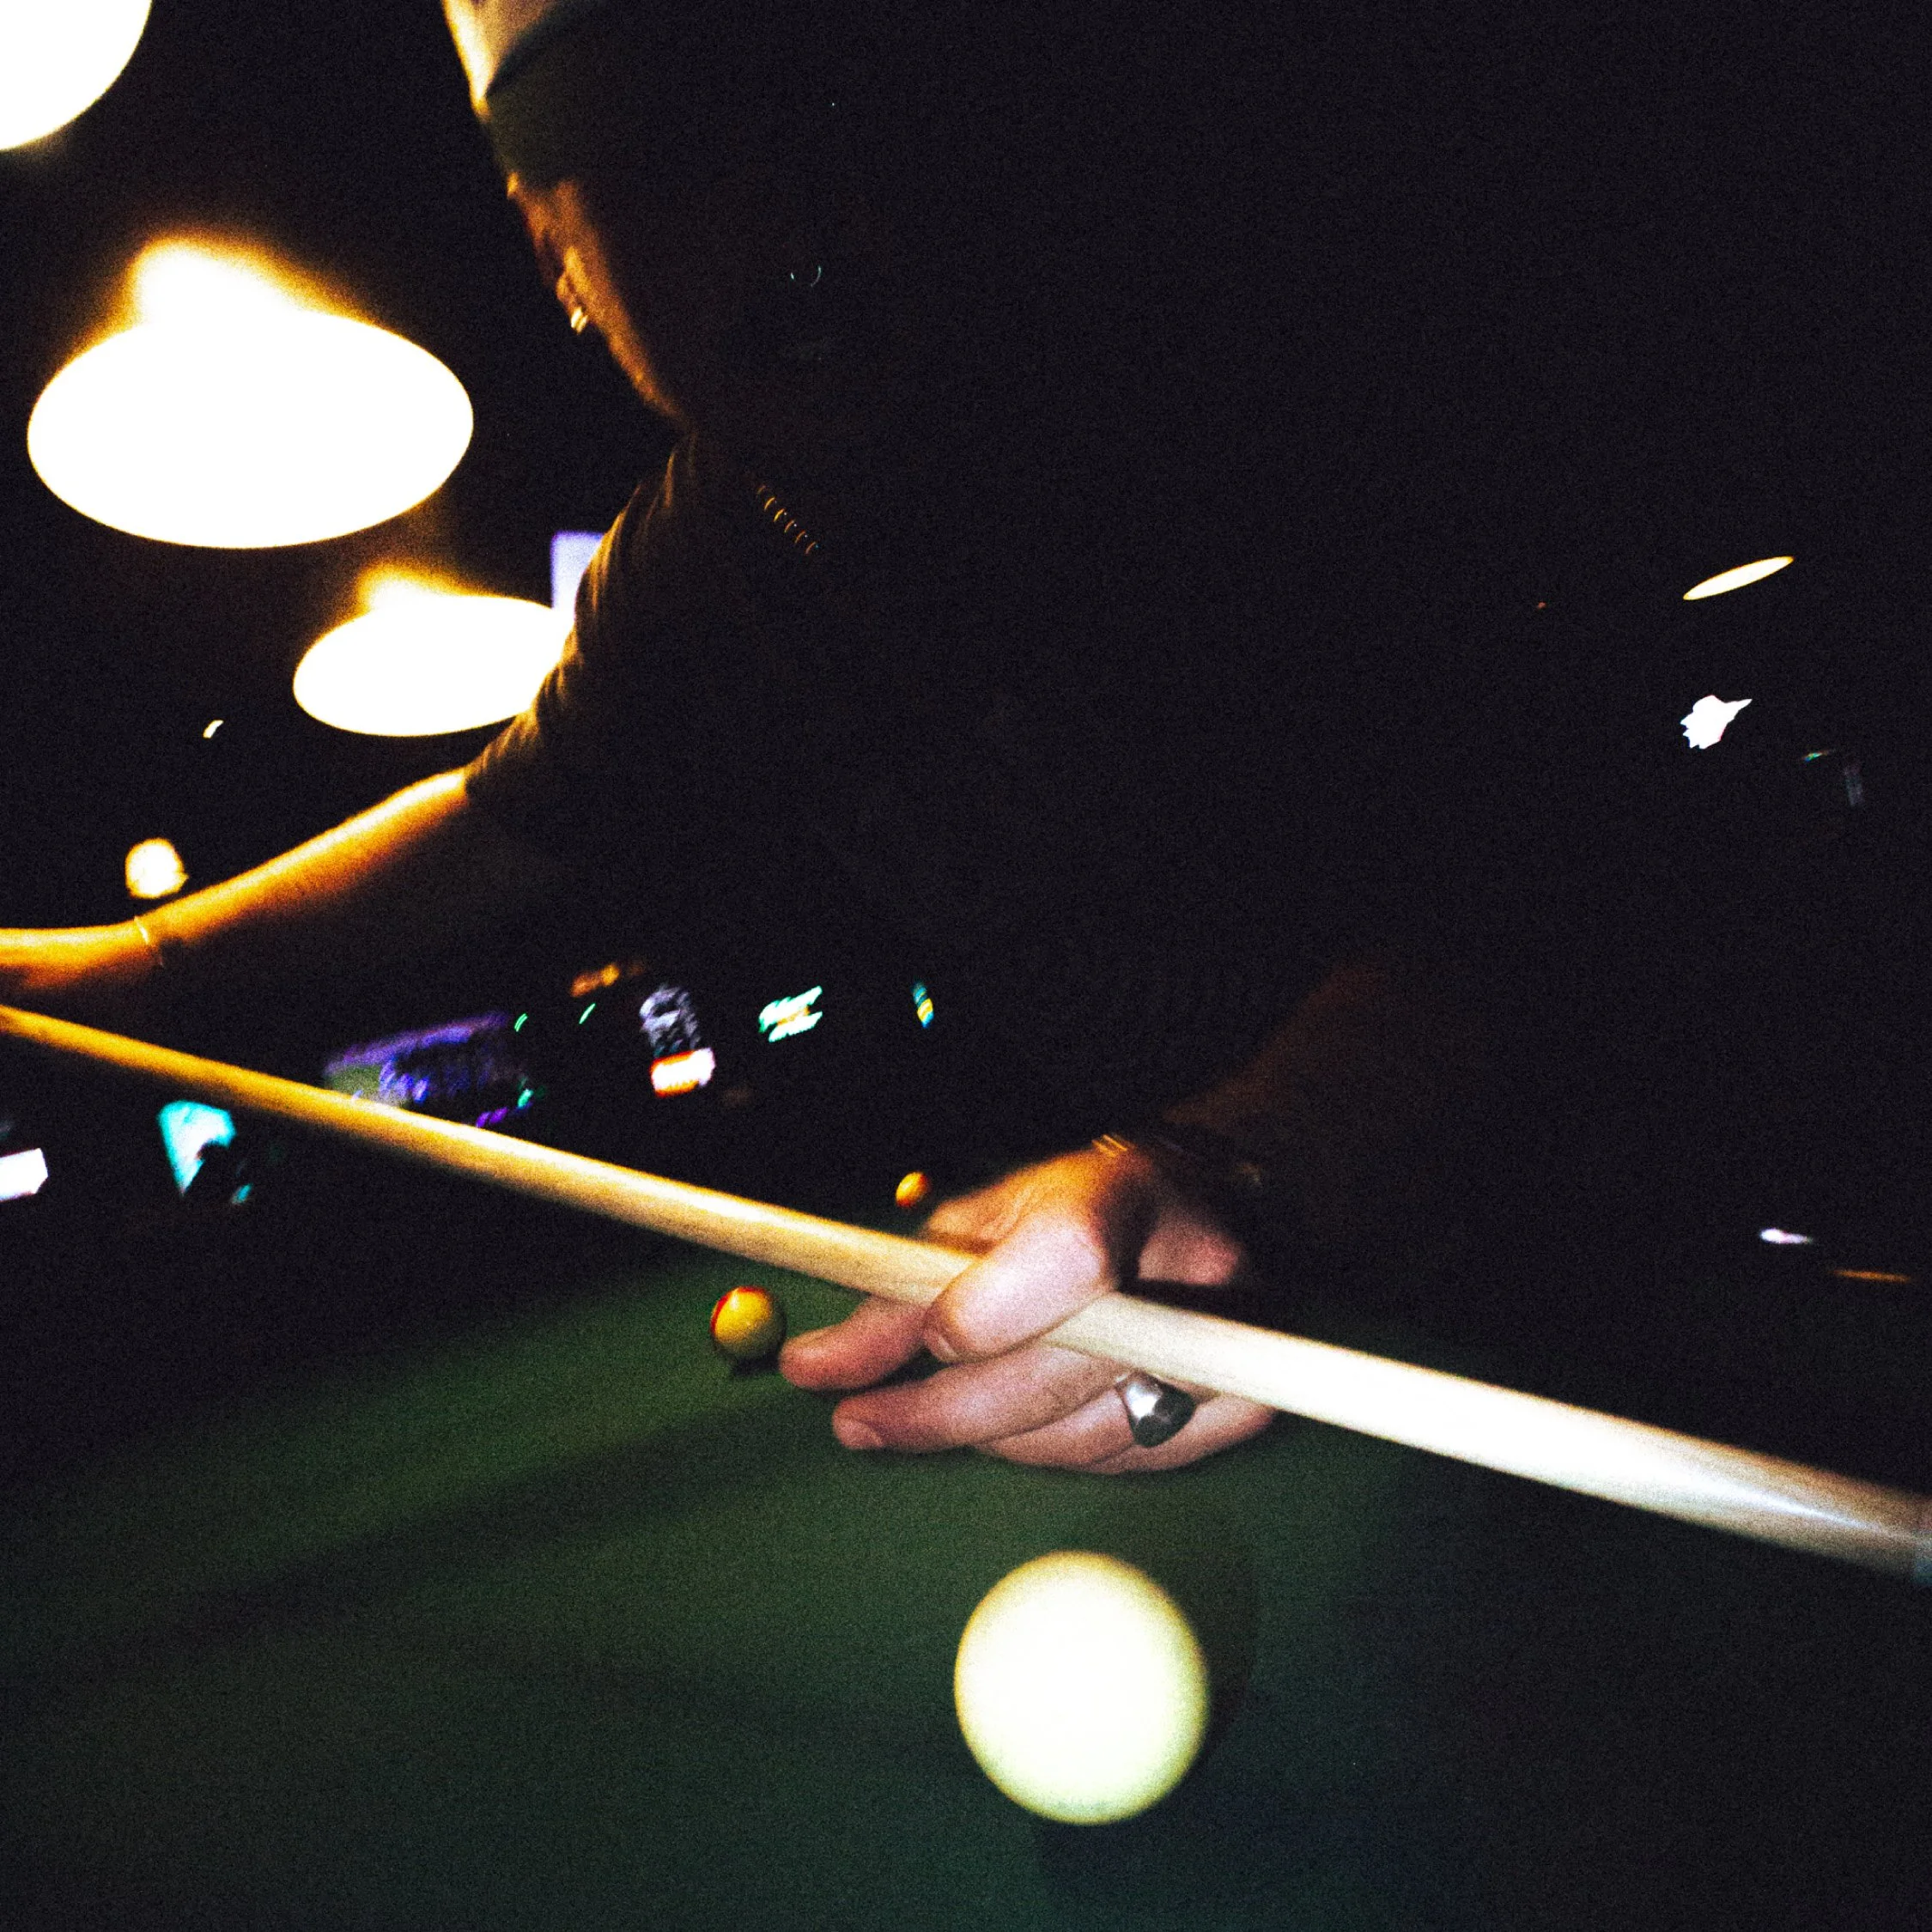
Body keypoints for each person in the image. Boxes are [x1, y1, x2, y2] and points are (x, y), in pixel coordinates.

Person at [2, 0, 1537, 1472]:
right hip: (1173, 1275)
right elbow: (492, 823)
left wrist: (1232, 1164)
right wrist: (113, 970)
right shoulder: (702, 570)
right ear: (559, 254)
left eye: (794, 96)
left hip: (1539, 1226)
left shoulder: (1188, 371)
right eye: (661, 150)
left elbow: (1527, 886)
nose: (773, 202)